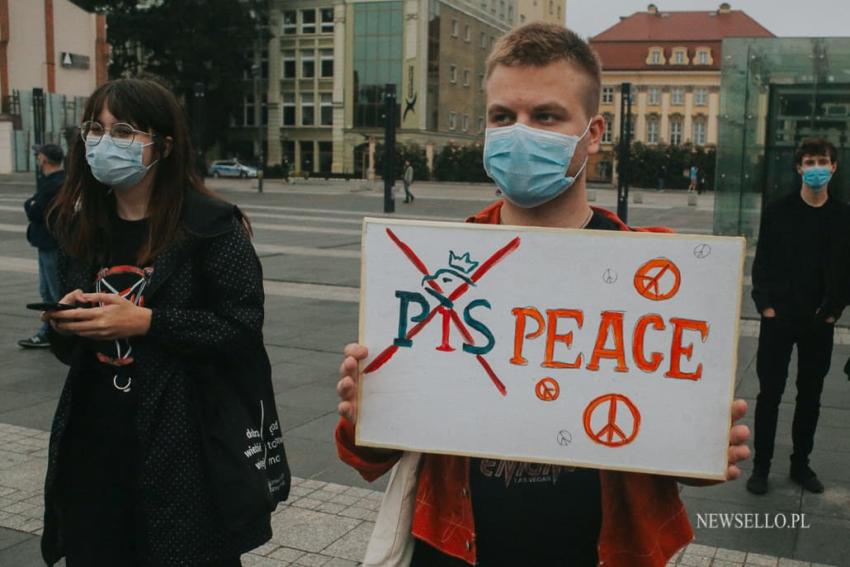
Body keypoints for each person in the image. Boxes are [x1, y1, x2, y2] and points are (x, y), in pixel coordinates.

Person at [334, 23, 750, 567]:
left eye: (546, 117)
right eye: (503, 117)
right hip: (456, 549)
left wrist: (699, 445)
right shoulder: (434, 270)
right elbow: (370, 456)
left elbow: (667, 449)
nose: (519, 133)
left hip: (595, 552)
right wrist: (367, 416)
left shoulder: (655, 280)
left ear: (594, 132)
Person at [40, 78, 290, 566]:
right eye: (95, 127)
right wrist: (64, 324)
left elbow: (240, 331)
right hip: (94, 443)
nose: (103, 142)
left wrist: (148, 321)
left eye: (125, 131)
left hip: (188, 443)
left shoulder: (211, 225)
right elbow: (71, 353)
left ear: (165, 145)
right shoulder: (79, 225)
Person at [747, 137, 850, 496]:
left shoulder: (843, 216)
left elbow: (846, 271)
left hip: (818, 322)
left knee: (811, 396)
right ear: (799, 168)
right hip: (779, 320)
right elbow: (763, 265)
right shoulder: (778, 211)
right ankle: (761, 467)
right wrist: (766, 308)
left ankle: (800, 464)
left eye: (822, 161)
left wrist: (833, 312)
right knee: (769, 394)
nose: (816, 168)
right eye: (809, 162)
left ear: (834, 167)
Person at [18, 144, 65, 349]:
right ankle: (50, 331)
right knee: (47, 290)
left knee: (53, 292)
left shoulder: (55, 184)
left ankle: (57, 333)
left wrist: (32, 205)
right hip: (46, 243)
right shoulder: (54, 182)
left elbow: (35, 210)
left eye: (39, 156)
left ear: (44, 159)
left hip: (50, 243)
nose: (38, 159)